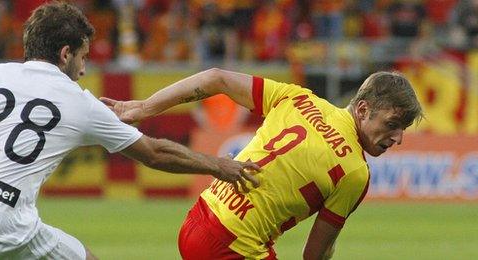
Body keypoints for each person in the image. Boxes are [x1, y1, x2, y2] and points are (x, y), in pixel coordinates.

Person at [0, 3, 260, 260]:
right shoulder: (78, 101)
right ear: (65, 54)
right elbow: (155, 153)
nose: (83, 70)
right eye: (83, 57)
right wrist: (219, 167)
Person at [101, 68, 424, 259]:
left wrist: (142, 107)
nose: (397, 139)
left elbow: (215, 78)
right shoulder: (355, 170)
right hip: (233, 246)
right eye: (393, 124)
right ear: (364, 110)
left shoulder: (300, 98)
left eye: (403, 130)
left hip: (198, 218)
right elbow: (314, 254)